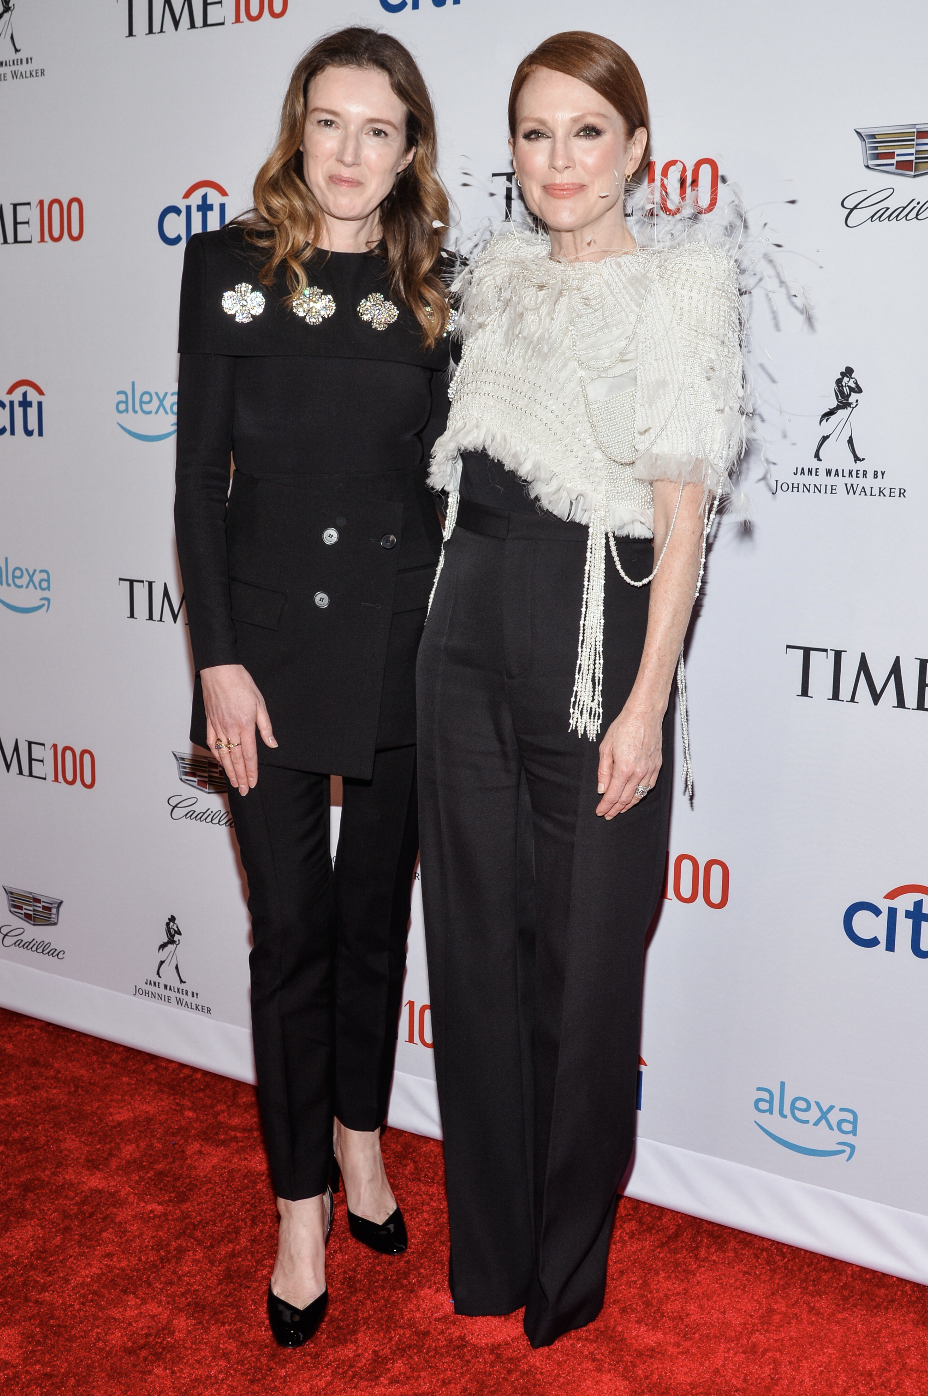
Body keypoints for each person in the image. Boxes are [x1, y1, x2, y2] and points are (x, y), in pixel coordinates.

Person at [417, 31, 744, 1348]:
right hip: (464, 633)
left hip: (595, 631)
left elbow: (682, 518)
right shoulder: (492, 278)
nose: (560, 160)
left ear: (637, 149)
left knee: (588, 969)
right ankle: (488, 1256)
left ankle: (565, 1272)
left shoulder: (681, 286)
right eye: (536, 133)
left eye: (587, 132)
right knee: (477, 957)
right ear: (514, 152)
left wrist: (650, 698)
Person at [173, 27, 452, 1348]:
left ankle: (359, 1141)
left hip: (400, 649)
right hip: (265, 662)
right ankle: (297, 1210)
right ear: (300, 128)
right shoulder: (227, 268)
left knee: (367, 931)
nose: (350, 152)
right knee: (288, 935)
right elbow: (196, 487)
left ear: (411, 151)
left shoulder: (443, 289)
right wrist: (217, 662)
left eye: (378, 130)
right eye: (329, 123)